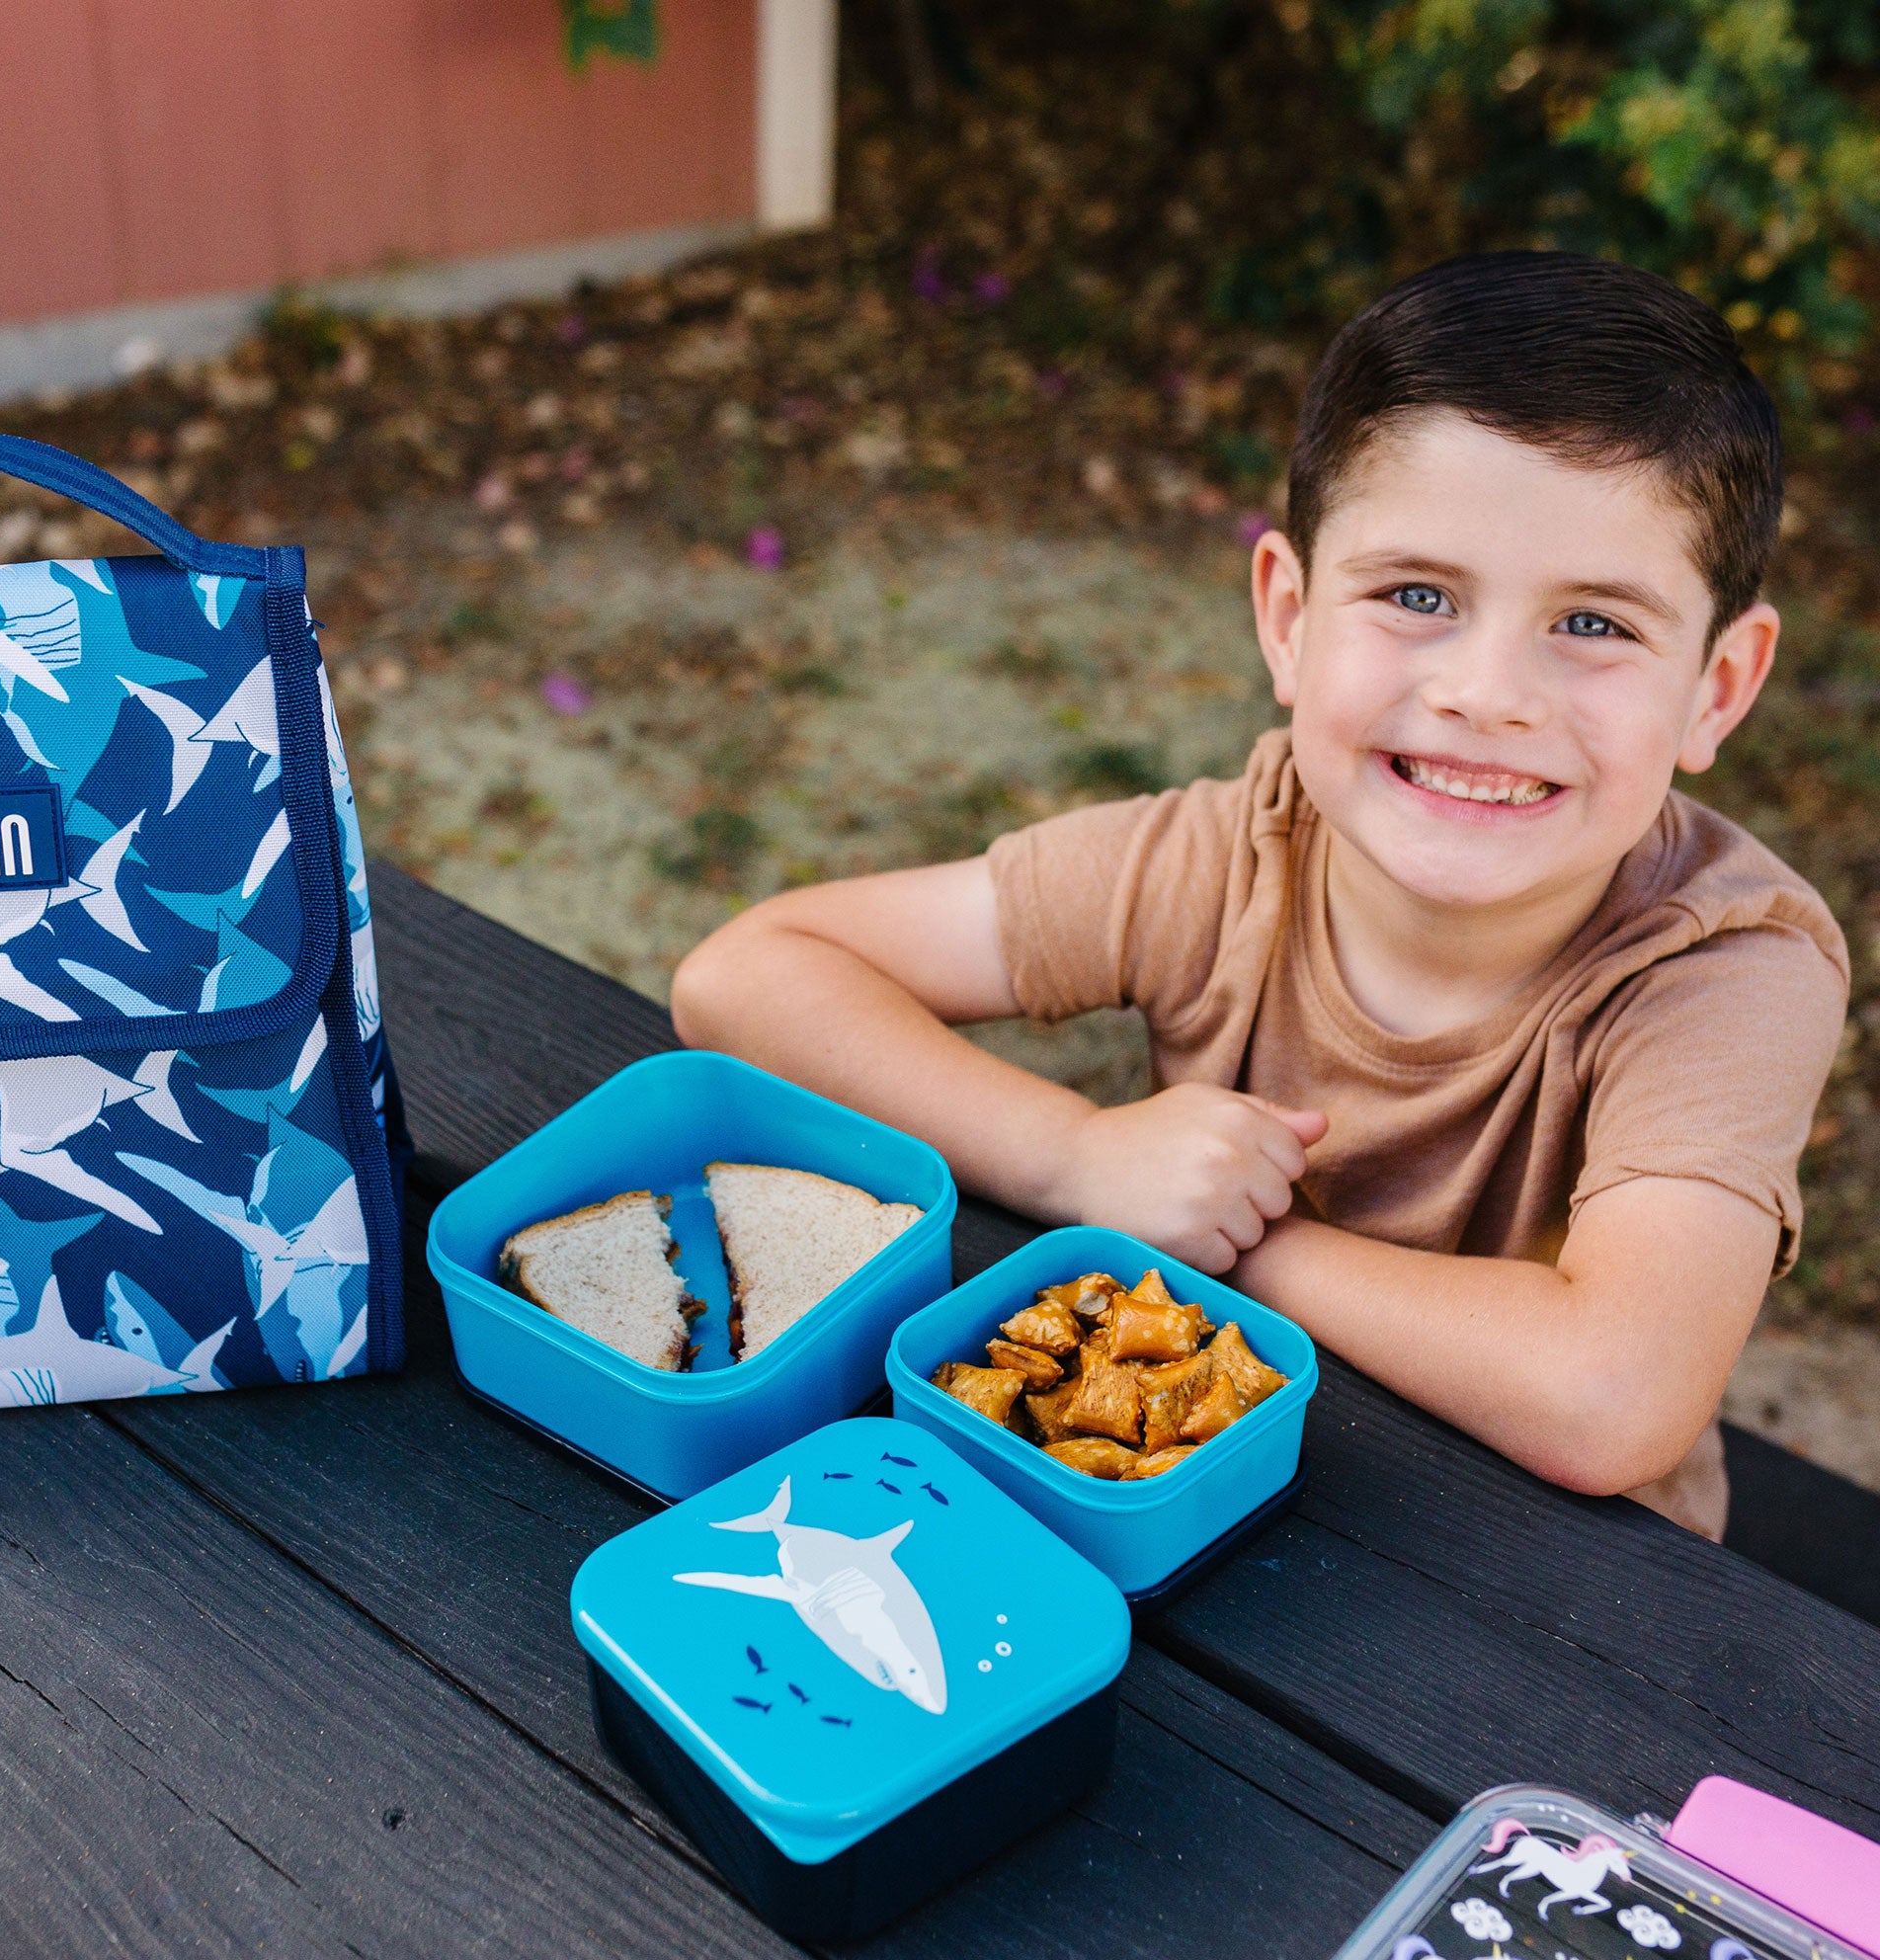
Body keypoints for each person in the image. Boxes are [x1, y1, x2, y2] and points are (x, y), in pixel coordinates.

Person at [671, 252, 1848, 1539]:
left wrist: (1242, 1242)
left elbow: (1609, 1399)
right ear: (1289, 618)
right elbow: (747, 974)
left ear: (1719, 689)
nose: (1489, 692)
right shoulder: (1227, 859)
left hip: (1549, 1599)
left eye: (1597, 626)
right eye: (1416, 596)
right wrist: (1071, 1152)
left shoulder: (1730, 964)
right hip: (1194, 1498)